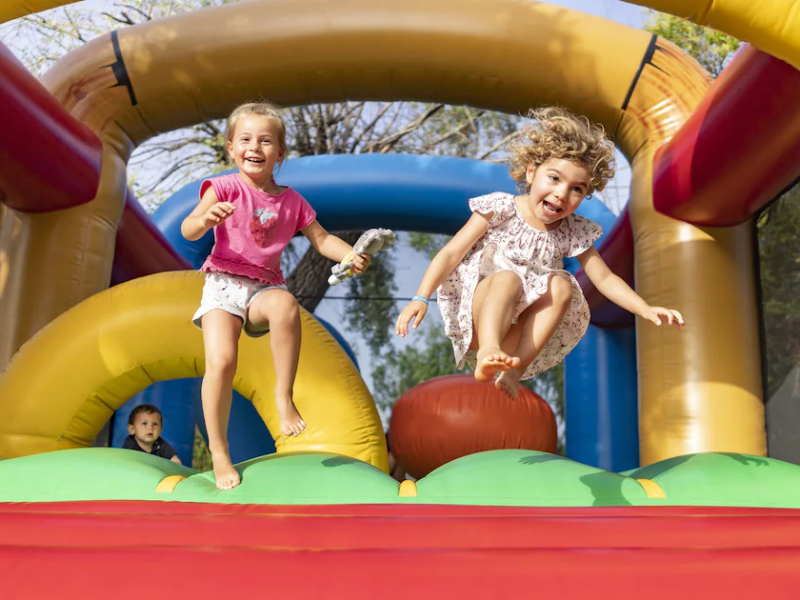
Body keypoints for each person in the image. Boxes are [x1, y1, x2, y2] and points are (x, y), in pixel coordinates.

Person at [395, 106, 684, 400]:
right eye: (555, 179)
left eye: (577, 189)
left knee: (561, 284)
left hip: (517, 331)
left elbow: (605, 278)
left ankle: (514, 369)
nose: (562, 193)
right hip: (479, 314)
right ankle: (488, 350)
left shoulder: (573, 230)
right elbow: (451, 253)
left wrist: (645, 308)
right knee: (508, 278)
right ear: (532, 173)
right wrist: (421, 297)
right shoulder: (500, 208)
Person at [181, 101, 370, 490]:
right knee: (221, 360)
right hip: (223, 284)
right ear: (231, 148)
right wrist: (205, 218)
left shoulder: (291, 201)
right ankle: (219, 451)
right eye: (246, 139)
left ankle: (283, 396)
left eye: (266, 141)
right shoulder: (224, 187)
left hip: (264, 287)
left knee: (286, 304)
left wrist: (350, 254)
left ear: (280, 153)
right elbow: (188, 229)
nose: (255, 147)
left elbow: (322, 240)